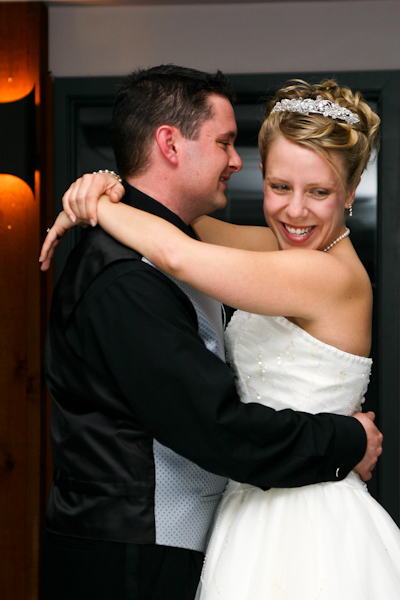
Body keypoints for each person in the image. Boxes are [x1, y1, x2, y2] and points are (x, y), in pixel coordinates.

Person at [40, 68, 383, 600]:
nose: (295, 209)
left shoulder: (325, 273)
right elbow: (179, 229)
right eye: (278, 186)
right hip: (240, 509)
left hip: (302, 515)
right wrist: (104, 185)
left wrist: (100, 203)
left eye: (319, 191)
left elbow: (178, 250)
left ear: (351, 191)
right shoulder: (281, 251)